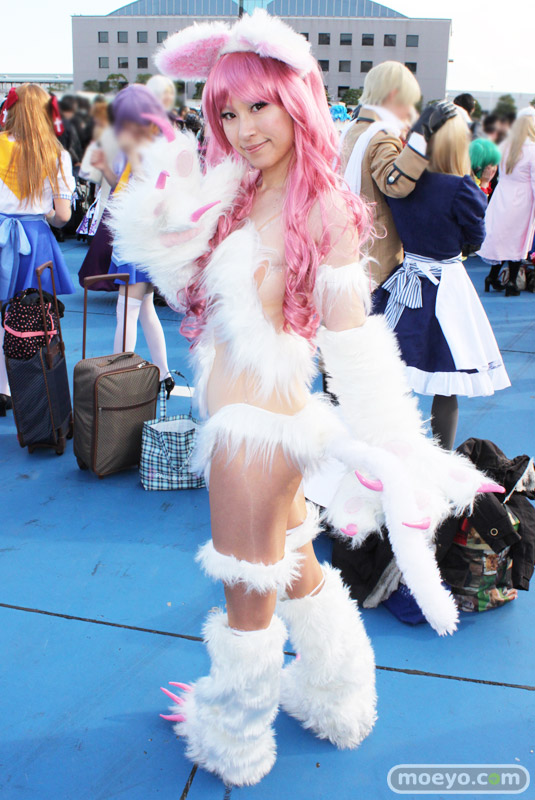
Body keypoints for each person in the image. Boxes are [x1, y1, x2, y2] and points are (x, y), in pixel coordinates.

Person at [107, 11, 493, 787]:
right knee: (296, 570)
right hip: (248, 423)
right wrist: (161, 219)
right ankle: (337, 695)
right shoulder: (237, 190)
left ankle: (232, 739)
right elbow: (195, 298)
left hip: (257, 438)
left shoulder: (319, 208)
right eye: (227, 112)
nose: (244, 128)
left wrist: (399, 445)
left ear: (295, 101)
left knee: (247, 597)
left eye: (260, 106)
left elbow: (352, 341)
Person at [372, 108, 510, 450]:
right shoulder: (461, 188)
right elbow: (475, 237)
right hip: (446, 286)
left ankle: (388, 451)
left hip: (404, 284)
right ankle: (440, 460)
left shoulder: (399, 184)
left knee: (393, 371)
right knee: (447, 378)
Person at [340, 61, 457, 286]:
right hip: (375, 250)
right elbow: (395, 183)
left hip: (347, 241)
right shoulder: (381, 136)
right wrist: (421, 137)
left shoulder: (350, 130)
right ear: (394, 95)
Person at [0, 83, 75, 415]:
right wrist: (44, 215)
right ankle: (33, 389)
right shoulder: (55, 154)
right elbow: (63, 216)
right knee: (35, 314)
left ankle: (1, 389)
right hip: (36, 241)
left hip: (1, 236)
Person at [107, 85, 174, 394]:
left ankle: (119, 383)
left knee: (127, 312)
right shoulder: (154, 145)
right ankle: (163, 373)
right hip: (145, 239)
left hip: (137, 239)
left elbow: (142, 197)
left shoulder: (140, 149)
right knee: (144, 309)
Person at [478, 107, 535, 296]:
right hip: (523, 197)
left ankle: (492, 276)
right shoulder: (532, 149)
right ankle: (511, 282)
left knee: (502, 237)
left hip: (502, 194)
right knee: (517, 239)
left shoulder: (504, 146)